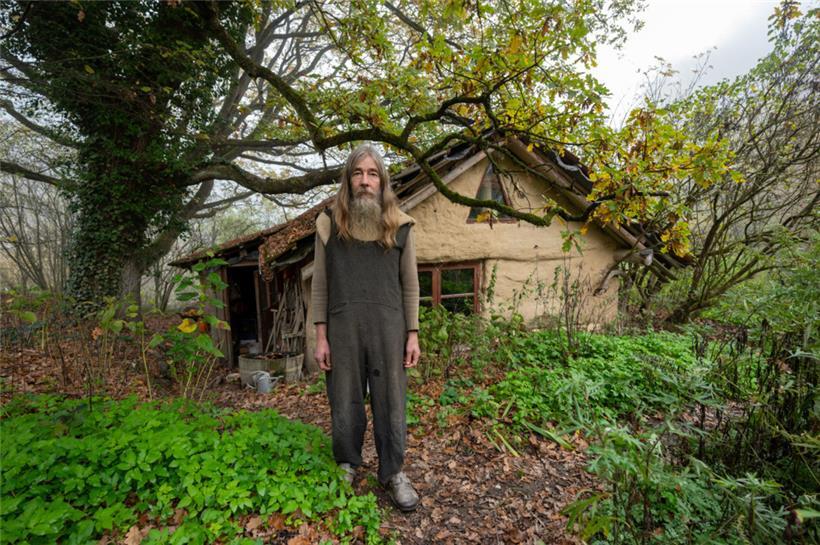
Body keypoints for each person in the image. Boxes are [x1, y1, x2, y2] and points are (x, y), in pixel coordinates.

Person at [311, 143, 421, 512]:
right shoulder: (328, 223)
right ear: (348, 180)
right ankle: (347, 461)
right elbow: (321, 284)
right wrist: (321, 336)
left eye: (372, 174)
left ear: (382, 181)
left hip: (390, 328)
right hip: (343, 327)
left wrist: (413, 334)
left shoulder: (401, 225)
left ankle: (393, 472)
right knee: (344, 398)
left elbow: (410, 284)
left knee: (391, 400)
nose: (365, 181)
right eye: (358, 173)